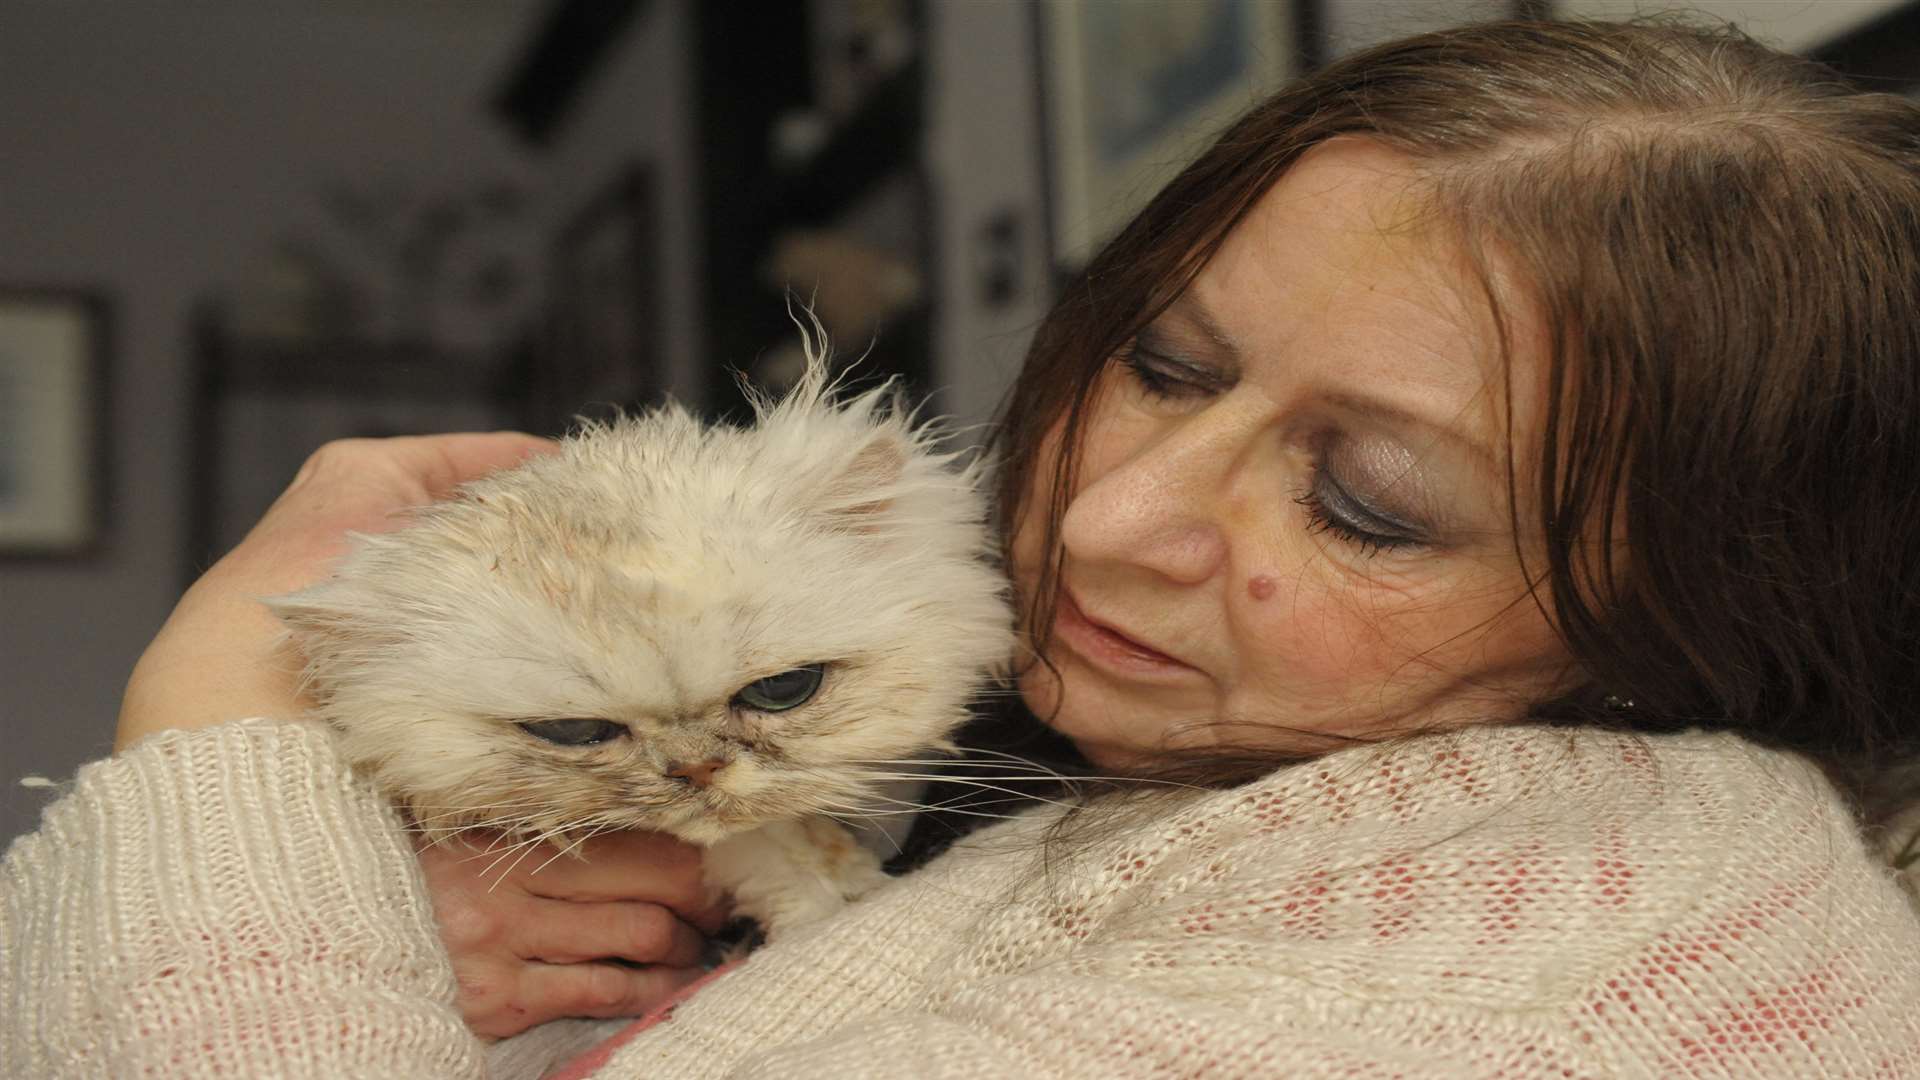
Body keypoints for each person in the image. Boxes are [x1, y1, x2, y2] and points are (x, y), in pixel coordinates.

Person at [7, 17, 1920, 1077]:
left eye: (1369, 504)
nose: (1103, 514)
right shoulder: (1208, 783)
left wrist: (212, 729)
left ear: (1697, 612)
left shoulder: (1556, 977)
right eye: (1164, 361)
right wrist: (349, 958)